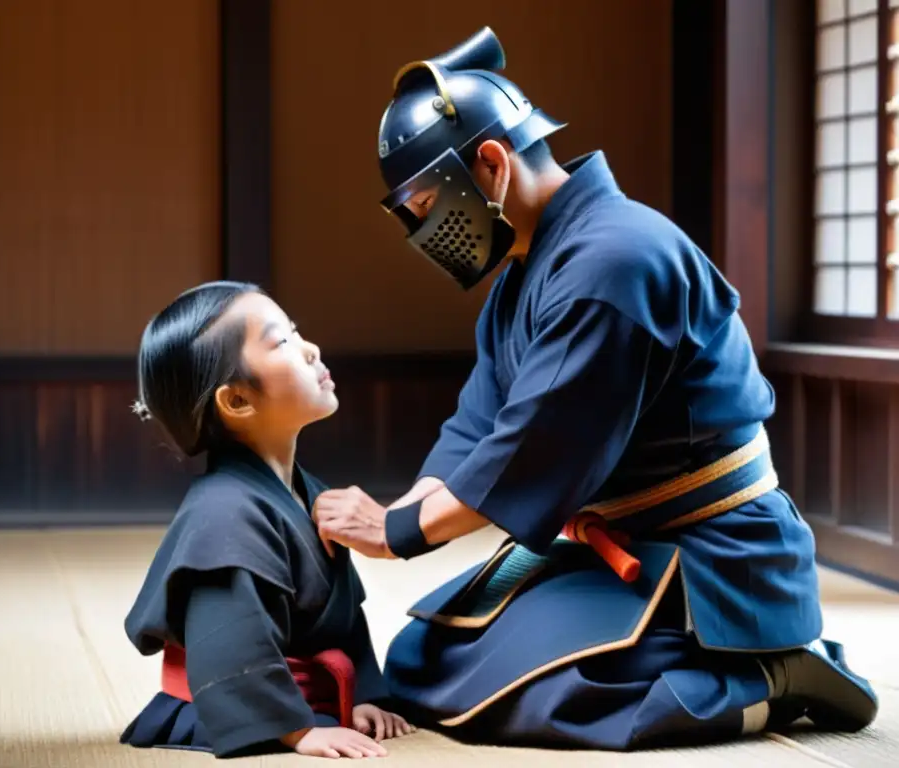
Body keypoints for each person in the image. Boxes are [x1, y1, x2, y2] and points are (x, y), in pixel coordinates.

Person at [312, 27, 879, 750]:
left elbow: (533, 451)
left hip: (715, 552)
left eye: (425, 206)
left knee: (557, 695)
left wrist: (391, 534)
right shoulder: (524, 277)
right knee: (424, 661)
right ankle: (730, 665)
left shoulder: (614, 261)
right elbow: (476, 431)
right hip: (617, 538)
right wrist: (399, 512)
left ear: (490, 164)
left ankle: (773, 678)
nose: (424, 231)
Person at [119, 281, 413, 759]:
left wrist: (362, 696)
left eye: (296, 331)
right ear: (237, 401)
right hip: (234, 705)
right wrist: (297, 732)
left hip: (297, 699)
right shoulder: (223, 513)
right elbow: (230, 640)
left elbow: (345, 616)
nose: (311, 348)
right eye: (281, 342)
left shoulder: (306, 490)